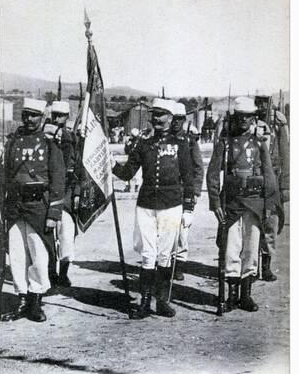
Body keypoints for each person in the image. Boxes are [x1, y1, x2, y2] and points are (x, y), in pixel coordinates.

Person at [112, 98, 194, 318]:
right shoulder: (143, 144)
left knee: (165, 254)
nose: (156, 119)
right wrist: (110, 165)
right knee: (148, 254)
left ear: (170, 117)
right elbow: (128, 172)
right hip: (146, 204)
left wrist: (188, 208)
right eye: (154, 115)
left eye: (161, 115)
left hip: (171, 205)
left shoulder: (181, 145)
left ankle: (162, 301)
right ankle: (145, 303)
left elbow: (188, 177)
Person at [206, 97, 278, 312]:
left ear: (253, 118)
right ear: (234, 118)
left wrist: (268, 204)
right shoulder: (225, 143)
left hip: (254, 203)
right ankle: (231, 296)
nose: (244, 121)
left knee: (251, 248)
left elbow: (269, 174)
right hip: (232, 204)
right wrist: (215, 201)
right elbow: (212, 174)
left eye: (248, 116)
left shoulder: (259, 144)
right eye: (240, 117)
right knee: (231, 249)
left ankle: (246, 296)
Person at [3, 98, 65, 322]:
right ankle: (21, 298)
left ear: (42, 117)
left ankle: (36, 300)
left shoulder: (49, 143)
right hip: (15, 206)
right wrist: (1, 207)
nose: (29, 119)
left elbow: (58, 178)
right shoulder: (13, 142)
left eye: (34, 115)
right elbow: (4, 175)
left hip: (39, 206)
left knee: (39, 255)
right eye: (26, 114)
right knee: (18, 255)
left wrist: (54, 213)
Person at [254, 96, 289, 281]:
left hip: (273, 179)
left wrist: (285, 185)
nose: (261, 106)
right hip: (253, 178)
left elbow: (285, 153)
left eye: (264, 102)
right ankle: (250, 268)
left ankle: (266, 266)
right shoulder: (246, 121)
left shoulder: (279, 123)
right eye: (257, 101)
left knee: (271, 223)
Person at [46, 100, 80, 287]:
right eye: (55, 115)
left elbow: (78, 168)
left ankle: (64, 272)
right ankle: (51, 272)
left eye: (61, 115)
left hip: (66, 191)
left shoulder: (72, 139)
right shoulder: (43, 136)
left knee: (67, 235)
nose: (57, 119)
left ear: (67, 117)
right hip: (48, 191)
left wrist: (76, 193)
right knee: (49, 235)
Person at [171, 103, 204, 280]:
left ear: (184, 121)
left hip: (186, 192)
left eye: (179, 119)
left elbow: (198, 168)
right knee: (167, 229)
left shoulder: (190, 142)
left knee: (183, 231)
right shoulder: (164, 139)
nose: (175, 123)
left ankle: (179, 264)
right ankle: (166, 264)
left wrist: (196, 192)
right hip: (168, 193)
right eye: (173, 119)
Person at [124, 128, 141, 192]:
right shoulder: (130, 142)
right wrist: (127, 145)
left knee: (138, 174)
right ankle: (128, 186)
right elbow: (126, 151)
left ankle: (136, 187)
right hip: (131, 159)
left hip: (137, 159)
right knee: (128, 172)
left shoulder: (140, 142)